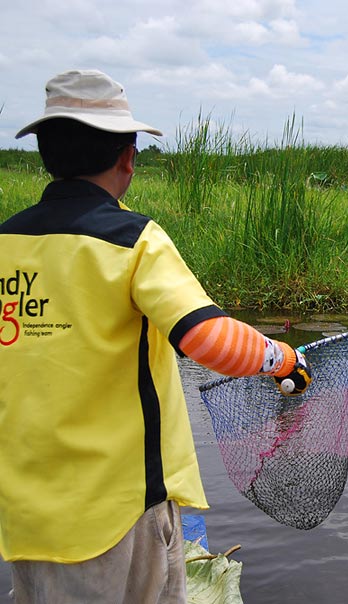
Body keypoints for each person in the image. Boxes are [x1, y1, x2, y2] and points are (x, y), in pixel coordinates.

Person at [0, 70, 309, 603]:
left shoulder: (7, 241)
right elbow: (208, 340)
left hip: (24, 509)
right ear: (128, 156)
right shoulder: (132, 239)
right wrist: (280, 358)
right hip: (114, 510)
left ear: (45, 153)